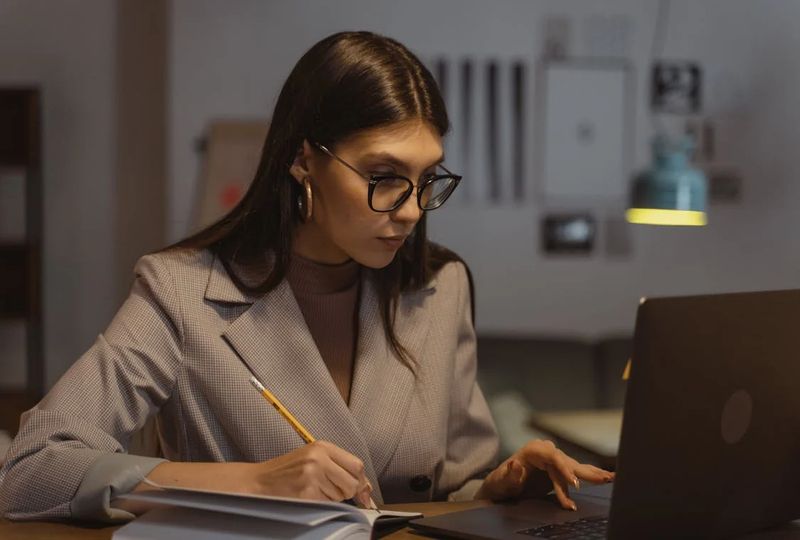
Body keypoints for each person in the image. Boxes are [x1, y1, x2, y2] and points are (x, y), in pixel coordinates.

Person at [0, 31, 613, 523]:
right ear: (302, 160)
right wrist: (251, 482)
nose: (410, 209)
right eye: (384, 176)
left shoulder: (438, 286)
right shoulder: (181, 291)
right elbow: (33, 469)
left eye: (428, 179)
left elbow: (448, 491)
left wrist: (501, 484)